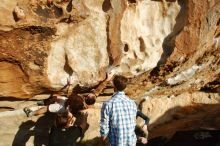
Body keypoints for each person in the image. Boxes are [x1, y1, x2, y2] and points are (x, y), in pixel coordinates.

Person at [100, 75, 137, 146]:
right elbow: (133, 122)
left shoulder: (108, 104)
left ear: (114, 86)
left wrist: (105, 141)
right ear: (125, 87)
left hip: (115, 142)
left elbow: (104, 126)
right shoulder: (132, 103)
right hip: (131, 142)